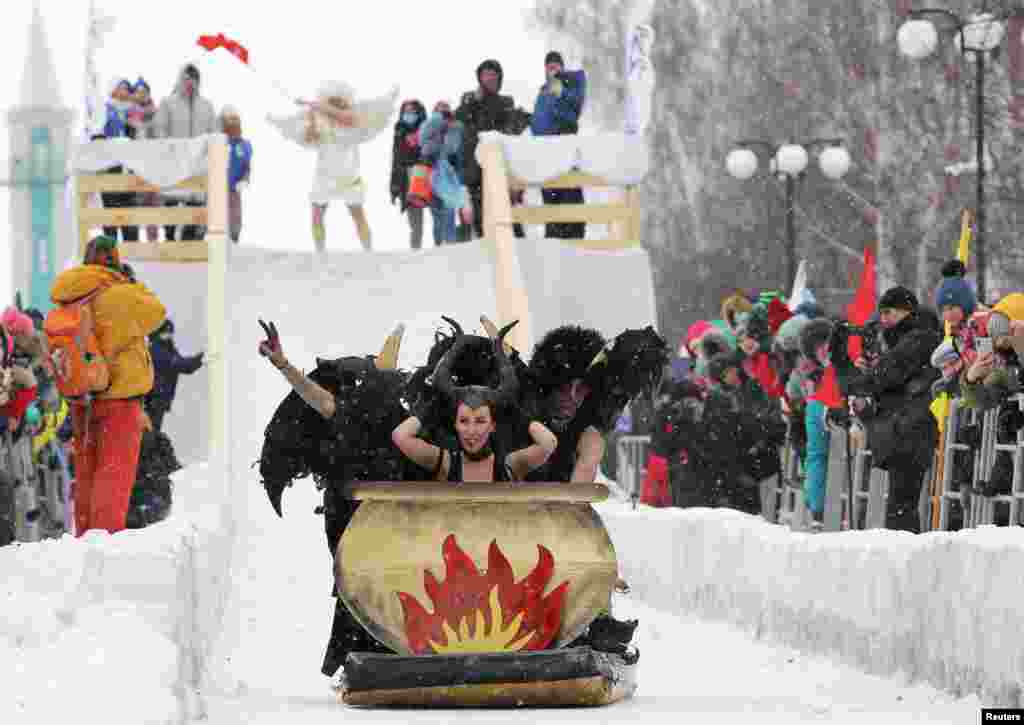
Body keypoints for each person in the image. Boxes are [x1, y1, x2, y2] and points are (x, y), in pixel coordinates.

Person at [257, 319, 409, 679]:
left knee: (380, 581)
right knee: (355, 583)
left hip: (386, 514)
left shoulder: (404, 423)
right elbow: (312, 394)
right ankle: (356, 659)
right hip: (347, 514)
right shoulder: (348, 415)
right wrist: (283, 364)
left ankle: (375, 656)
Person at [49, 235, 166, 535]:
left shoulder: (70, 293)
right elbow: (157, 312)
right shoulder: (120, 294)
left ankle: (85, 536)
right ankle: (105, 542)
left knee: (86, 472)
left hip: (82, 396)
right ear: (114, 259)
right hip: (119, 400)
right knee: (113, 475)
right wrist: (129, 282)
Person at [829, 286, 941, 532]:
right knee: (901, 506)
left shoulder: (919, 338)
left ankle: (904, 561)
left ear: (906, 311)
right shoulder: (909, 340)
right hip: (904, 431)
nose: (883, 320)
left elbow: (881, 378)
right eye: (881, 313)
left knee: (902, 508)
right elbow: (883, 379)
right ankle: (903, 558)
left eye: (888, 312)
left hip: (910, 431)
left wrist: (844, 365)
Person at [392, 322, 558, 481]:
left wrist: (509, 409)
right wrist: (439, 404)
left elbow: (548, 442)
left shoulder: (510, 465)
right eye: (464, 421)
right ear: (455, 423)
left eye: (480, 421)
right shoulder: (445, 462)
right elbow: (400, 436)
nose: (471, 431)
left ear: (492, 424)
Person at [268, 81, 396, 253]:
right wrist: (312, 117)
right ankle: (320, 252)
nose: (333, 104)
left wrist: (314, 104)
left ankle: (369, 251)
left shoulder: (353, 121)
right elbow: (309, 139)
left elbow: (346, 118)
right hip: (324, 177)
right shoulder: (322, 124)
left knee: (357, 214)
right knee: (316, 214)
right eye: (330, 101)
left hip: (349, 178)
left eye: (337, 101)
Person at [454, 59, 531, 241]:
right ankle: (485, 250)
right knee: (481, 217)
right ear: (479, 78)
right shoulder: (469, 99)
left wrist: (523, 119)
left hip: (500, 168)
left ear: (499, 79)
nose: (489, 79)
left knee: (507, 212)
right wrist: (472, 102)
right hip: (475, 169)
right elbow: (459, 118)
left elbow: (513, 128)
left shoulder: (505, 102)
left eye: (493, 75)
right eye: (485, 75)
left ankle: (519, 246)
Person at [152, 64, 218, 241]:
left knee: (195, 205)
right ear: (180, 79)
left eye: (194, 79)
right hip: (174, 163)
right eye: (187, 78)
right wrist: (168, 148)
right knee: (171, 203)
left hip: (197, 165)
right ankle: (169, 238)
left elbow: (214, 133)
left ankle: (191, 241)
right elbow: (159, 129)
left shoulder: (207, 106)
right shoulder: (168, 103)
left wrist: (208, 153)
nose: (190, 83)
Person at [530, 51, 587, 239]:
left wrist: (562, 92)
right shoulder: (542, 91)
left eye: (556, 64)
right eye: (549, 65)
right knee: (551, 206)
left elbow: (577, 103)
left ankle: (575, 244)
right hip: (545, 153)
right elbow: (538, 120)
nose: (552, 67)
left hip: (565, 147)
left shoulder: (570, 83)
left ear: (562, 67)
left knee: (571, 198)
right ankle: (554, 247)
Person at [417, 101, 468, 244]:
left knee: (449, 210)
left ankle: (450, 244)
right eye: (440, 108)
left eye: (446, 108)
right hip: (431, 170)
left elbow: (452, 148)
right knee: (436, 213)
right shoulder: (428, 124)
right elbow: (422, 141)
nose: (443, 111)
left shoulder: (455, 127)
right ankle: (438, 244)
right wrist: (439, 120)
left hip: (448, 172)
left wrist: (449, 128)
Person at [145, 318, 204, 433]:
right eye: (167, 332)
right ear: (158, 333)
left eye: (171, 332)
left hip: (158, 400)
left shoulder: (167, 348)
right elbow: (180, 364)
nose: (170, 335)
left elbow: (185, 366)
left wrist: (199, 359)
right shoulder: (156, 350)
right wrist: (201, 358)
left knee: (152, 432)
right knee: (150, 433)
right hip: (153, 400)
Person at [389, 99, 427, 248]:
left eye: (412, 112)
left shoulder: (426, 128)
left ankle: (443, 248)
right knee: (415, 219)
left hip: (425, 173)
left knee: (438, 213)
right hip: (407, 176)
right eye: (406, 112)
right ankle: (416, 251)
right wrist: (394, 186)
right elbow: (396, 160)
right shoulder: (399, 131)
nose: (409, 114)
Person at [220, 106, 253, 243]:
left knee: (235, 216)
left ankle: (234, 240)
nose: (232, 124)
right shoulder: (218, 143)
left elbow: (246, 167)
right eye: (229, 121)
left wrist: (245, 180)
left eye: (235, 120)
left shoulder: (244, 145)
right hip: (216, 188)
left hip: (234, 189)